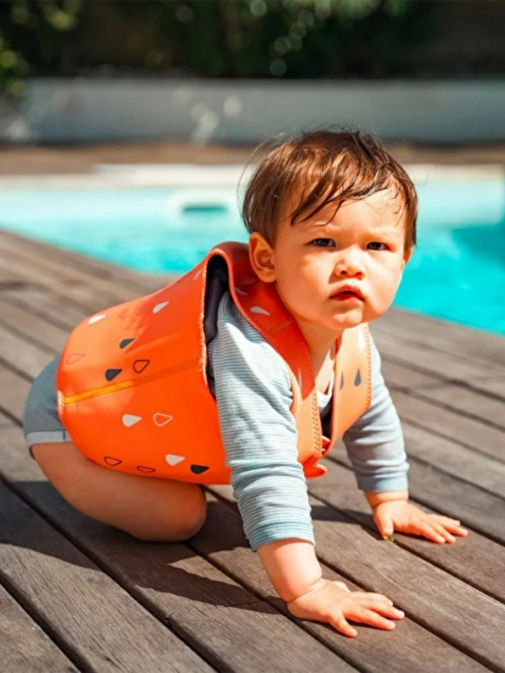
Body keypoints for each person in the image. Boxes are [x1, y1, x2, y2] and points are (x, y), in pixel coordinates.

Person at [23, 129, 467, 638]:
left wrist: (390, 498)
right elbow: (266, 471)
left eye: (377, 246)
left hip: (143, 418)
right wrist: (306, 589)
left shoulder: (350, 338)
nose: (352, 264)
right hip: (71, 416)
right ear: (266, 259)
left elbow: (368, 406)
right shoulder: (253, 352)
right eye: (324, 242)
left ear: (404, 259)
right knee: (178, 520)